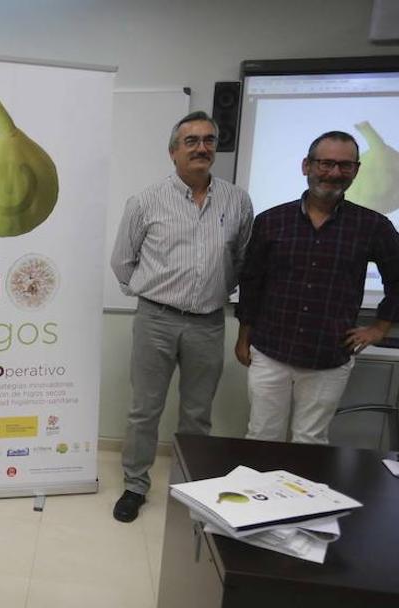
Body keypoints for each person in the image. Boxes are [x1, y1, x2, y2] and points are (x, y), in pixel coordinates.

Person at [109, 111, 253, 523]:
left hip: (208, 322)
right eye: (191, 141)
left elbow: (242, 259)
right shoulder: (146, 200)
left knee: (197, 413)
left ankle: (189, 485)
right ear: (173, 151)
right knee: (145, 410)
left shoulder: (237, 201)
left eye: (209, 140)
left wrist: (216, 290)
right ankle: (135, 485)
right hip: (156, 320)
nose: (201, 148)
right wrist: (150, 293)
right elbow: (122, 261)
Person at [235, 131, 399, 444]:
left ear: (356, 171)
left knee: (310, 441)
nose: (334, 173)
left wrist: (380, 328)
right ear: (306, 166)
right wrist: (243, 337)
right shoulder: (272, 221)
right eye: (326, 163)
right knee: (262, 436)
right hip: (270, 350)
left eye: (345, 165)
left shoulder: (372, 226)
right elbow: (252, 282)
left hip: (329, 355)